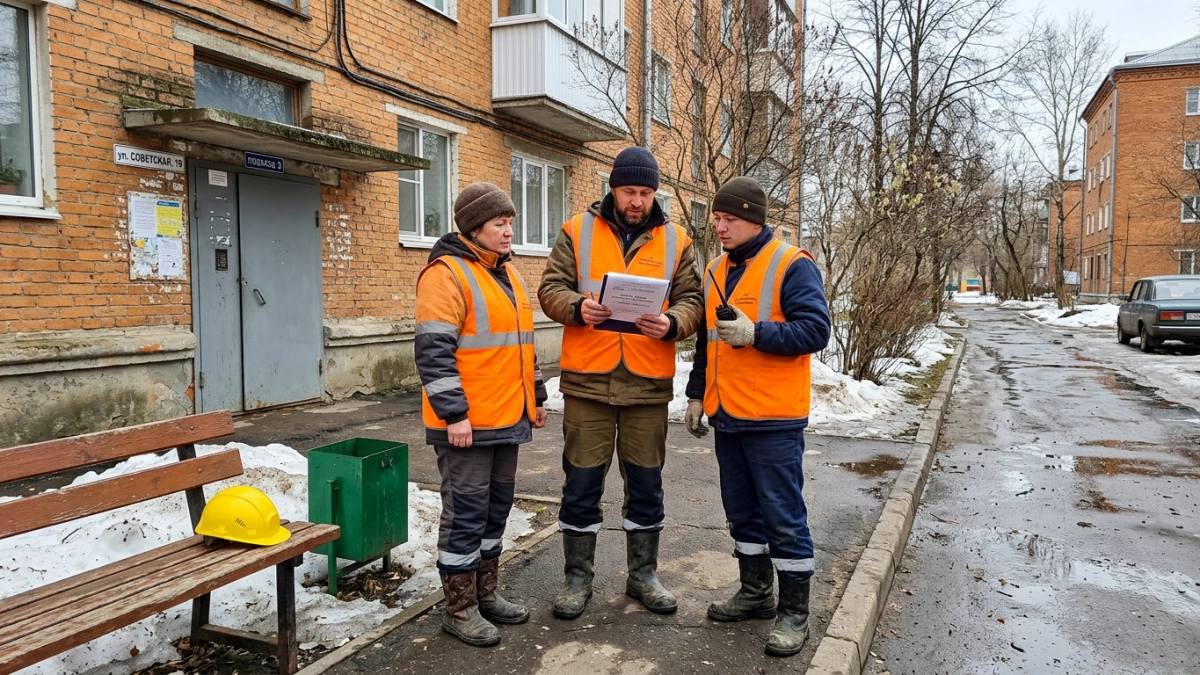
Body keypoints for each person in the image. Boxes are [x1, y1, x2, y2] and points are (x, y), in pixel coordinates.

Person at [538, 147, 704, 619]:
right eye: (630, 191)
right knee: (582, 483)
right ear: (613, 188)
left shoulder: (678, 241)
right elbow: (550, 288)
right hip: (588, 381)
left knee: (647, 485)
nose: (638, 201)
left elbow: (693, 299)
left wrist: (673, 322)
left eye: (647, 192)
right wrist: (576, 307)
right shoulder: (576, 231)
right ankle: (577, 579)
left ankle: (643, 575)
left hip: (647, 385)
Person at [683, 176, 831, 657]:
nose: (719, 226)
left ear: (754, 220)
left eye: (728, 219)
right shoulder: (714, 270)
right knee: (742, 513)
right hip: (727, 413)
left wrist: (757, 333)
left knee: (783, 516)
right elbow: (708, 343)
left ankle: (794, 613)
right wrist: (694, 395)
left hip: (773, 417)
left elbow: (815, 331)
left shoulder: (792, 264)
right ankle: (755, 592)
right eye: (717, 219)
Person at [415, 182, 548, 647]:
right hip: (466, 424)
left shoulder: (508, 275)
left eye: (511, 222)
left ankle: (485, 593)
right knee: (465, 514)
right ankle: (460, 607)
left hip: (506, 416)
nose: (509, 230)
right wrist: (454, 415)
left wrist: (537, 397)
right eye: (500, 223)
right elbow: (434, 353)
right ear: (475, 228)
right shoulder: (445, 274)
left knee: (496, 510)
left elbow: (520, 345)